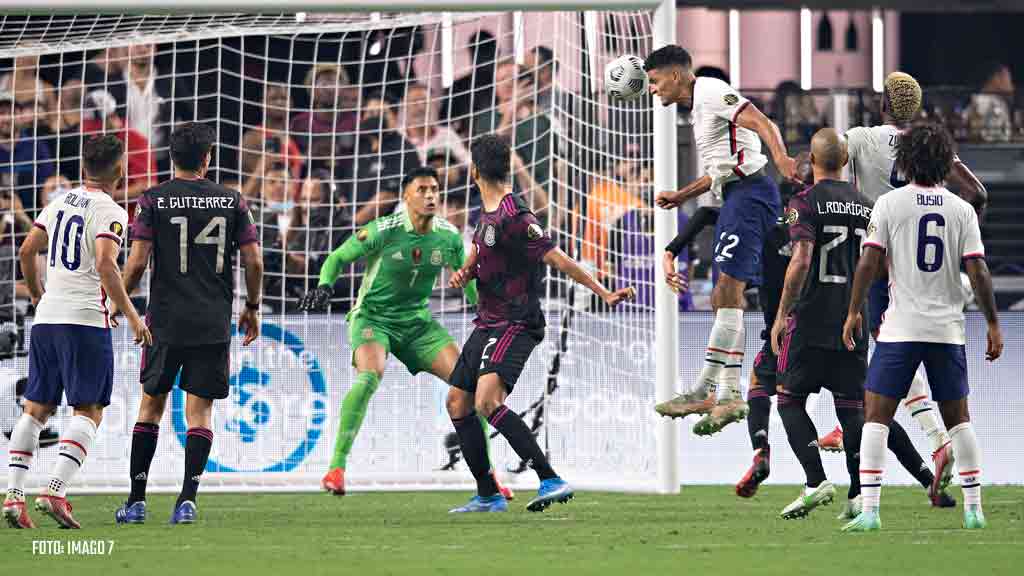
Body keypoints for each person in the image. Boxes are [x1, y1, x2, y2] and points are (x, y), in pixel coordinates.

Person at [445, 134, 635, 513]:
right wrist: (466, 271)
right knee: (457, 402)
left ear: (474, 171)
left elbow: (558, 258)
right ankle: (487, 494)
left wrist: (603, 292)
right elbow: (482, 249)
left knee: (487, 400)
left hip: (516, 322)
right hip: (488, 321)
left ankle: (550, 478)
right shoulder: (487, 214)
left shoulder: (516, 216)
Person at [297, 166, 510, 500]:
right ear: (405, 196)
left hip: (417, 324)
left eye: (434, 190)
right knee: (369, 377)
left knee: (470, 386)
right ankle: (336, 469)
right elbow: (337, 257)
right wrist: (324, 285)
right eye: (422, 189)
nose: (430, 196)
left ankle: (488, 476)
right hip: (373, 319)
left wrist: (487, 313)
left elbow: (467, 279)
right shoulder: (384, 229)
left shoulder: (448, 236)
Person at [841, 123, 1002, 532]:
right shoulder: (961, 209)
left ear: (905, 160)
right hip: (946, 330)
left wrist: (854, 311)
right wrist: (993, 324)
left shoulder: (890, 205)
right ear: (946, 164)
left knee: (875, 418)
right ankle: (974, 509)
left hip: (900, 328)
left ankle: (872, 511)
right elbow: (978, 270)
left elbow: (869, 263)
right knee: (960, 421)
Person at [113, 122, 263, 525]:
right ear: (207, 158)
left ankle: (137, 501)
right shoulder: (232, 201)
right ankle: (186, 500)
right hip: (212, 321)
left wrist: (118, 302)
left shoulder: (152, 200)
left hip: (164, 321)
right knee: (199, 414)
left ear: (172, 158)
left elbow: (138, 261)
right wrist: (252, 305)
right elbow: (254, 261)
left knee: (151, 406)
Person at [646, 45, 798, 434]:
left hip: (750, 194)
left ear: (675, 75)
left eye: (654, 81)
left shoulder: (712, 91)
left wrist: (781, 159)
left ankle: (704, 389)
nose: (652, 89)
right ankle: (729, 393)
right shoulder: (700, 108)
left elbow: (762, 122)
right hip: (738, 194)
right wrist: (682, 195)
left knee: (727, 292)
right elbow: (721, 170)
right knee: (724, 297)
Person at [3, 134, 151, 529]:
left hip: (48, 318)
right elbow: (106, 264)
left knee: (35, 409)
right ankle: (54, 490)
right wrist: (131, 313)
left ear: (84, 167)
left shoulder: (58, 203)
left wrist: (38, 298)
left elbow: (25, 250)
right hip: (84, 320)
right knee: (89, 410)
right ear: (120, 171)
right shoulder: (112, 211)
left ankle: (14, 497)